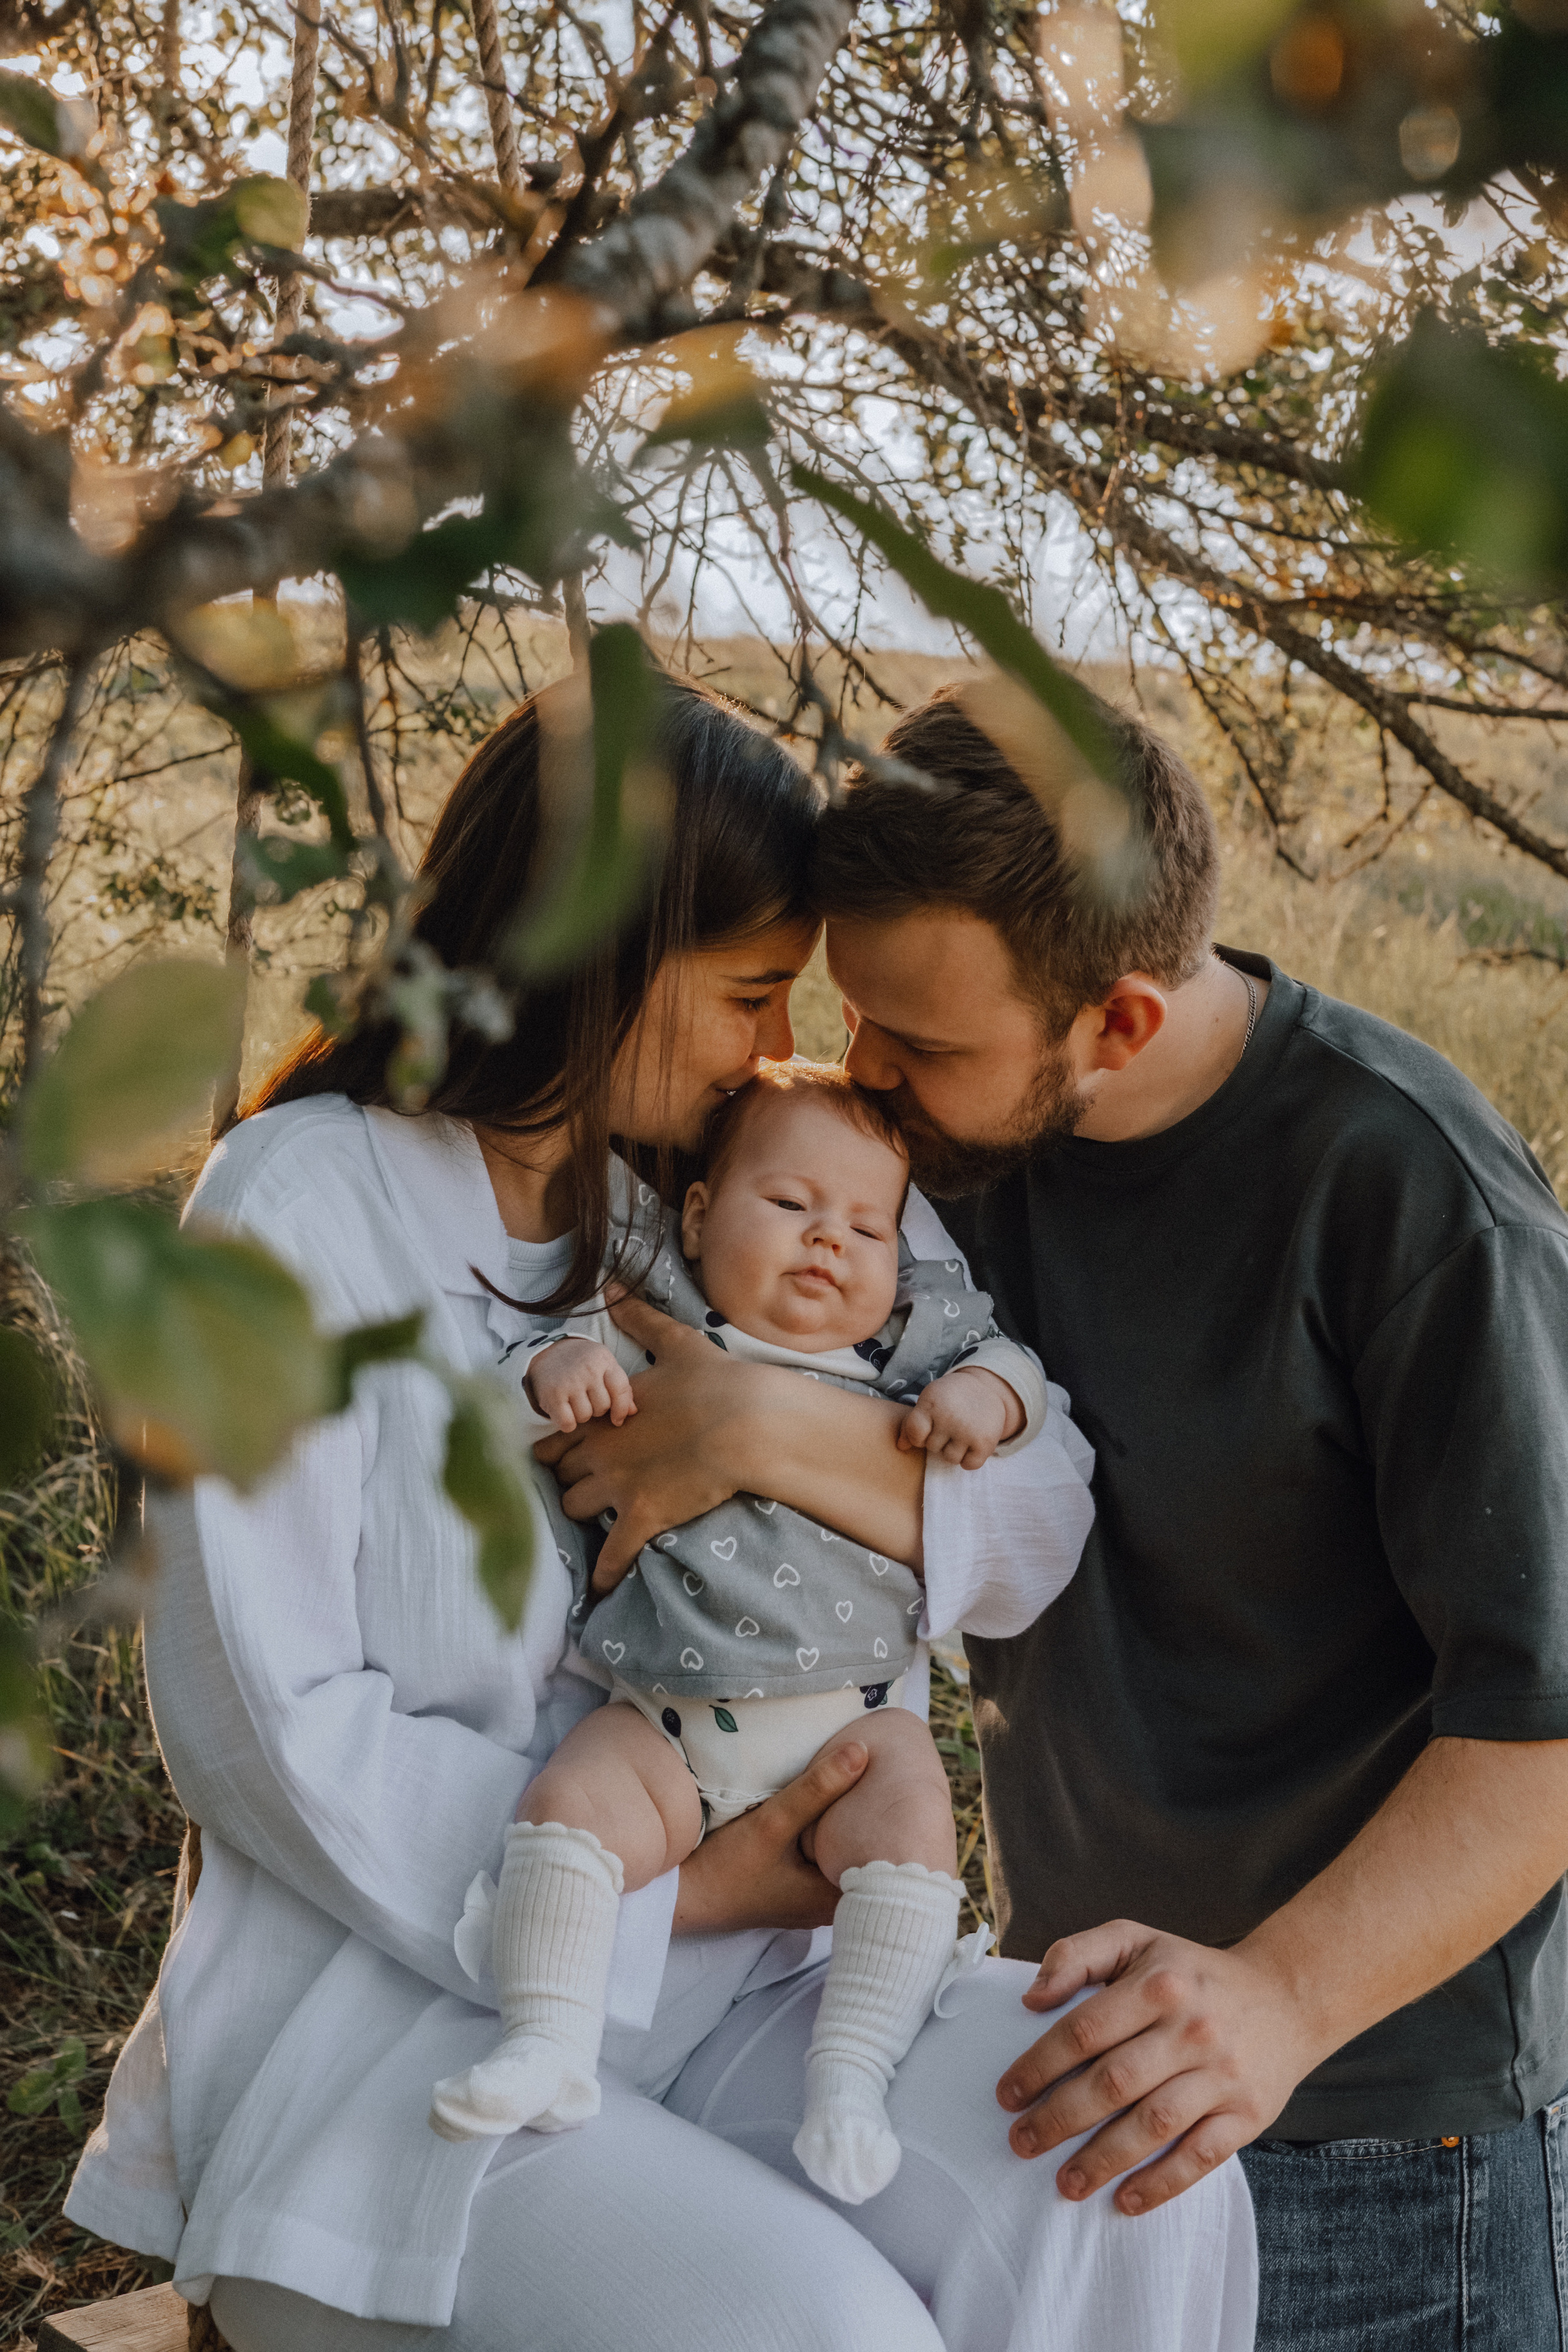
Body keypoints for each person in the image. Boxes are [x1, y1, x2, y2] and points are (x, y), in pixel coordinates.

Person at [65, 673, 1257, 2352]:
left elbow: (1036, 1513)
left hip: (771, 1998)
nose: (780, 1049)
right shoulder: (297, 1211)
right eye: (750, 995)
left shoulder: (731, 1176)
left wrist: (766, 1427)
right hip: (396, 2036)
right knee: (826, 2336)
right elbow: (263, 1731)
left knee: (1133, 2179)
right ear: (600, 956)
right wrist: (699, 1883)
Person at [781, 676, 1568, 2348]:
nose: (869, 1075)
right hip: (1064, 2076)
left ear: (1119, 1022)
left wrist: (1278, 2001)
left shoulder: (1408, 1188)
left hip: (1386, 2142)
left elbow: (1548, 1727)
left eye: (921, 1045)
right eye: (858, 1016)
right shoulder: (947, 1166)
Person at [429, 1059, 1068, 2209]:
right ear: (700, 1213)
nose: (832, 1240)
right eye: (791, 1207)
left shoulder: (908, 1348)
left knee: (915, 1825)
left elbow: (1019, 1375)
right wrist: (558, 1366)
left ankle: (852, 2077)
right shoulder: (652, 1307)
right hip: (664, 1719)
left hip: (852, 1727)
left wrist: (992, 1404)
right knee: (567, 1813)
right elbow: (518, 1359)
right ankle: (546, 2040)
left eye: (867, 1225)